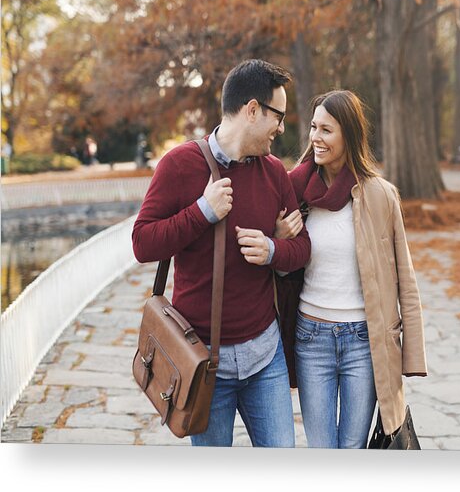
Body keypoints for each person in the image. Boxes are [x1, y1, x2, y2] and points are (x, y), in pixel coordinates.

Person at [132, 59, 311, 447]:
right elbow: (142, 243)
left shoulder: (275, 172)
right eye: (277, 116)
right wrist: (201, 212)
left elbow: (302, 249)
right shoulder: (179, 165)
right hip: (202, 364)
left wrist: (273, 250)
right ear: (251, 110)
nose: (282, 129)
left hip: (267, 358)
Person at [275, 90, 427, 449]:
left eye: (326, 130)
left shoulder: (381, 195)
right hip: (312, 340)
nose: (315, 137)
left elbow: (405, 278)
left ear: (349, 134)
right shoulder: (295, 192)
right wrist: (280, 241)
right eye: (313, 127)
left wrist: (413, 354)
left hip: (365, 341)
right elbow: (280, 272)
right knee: (323, 451)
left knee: (354, 450)